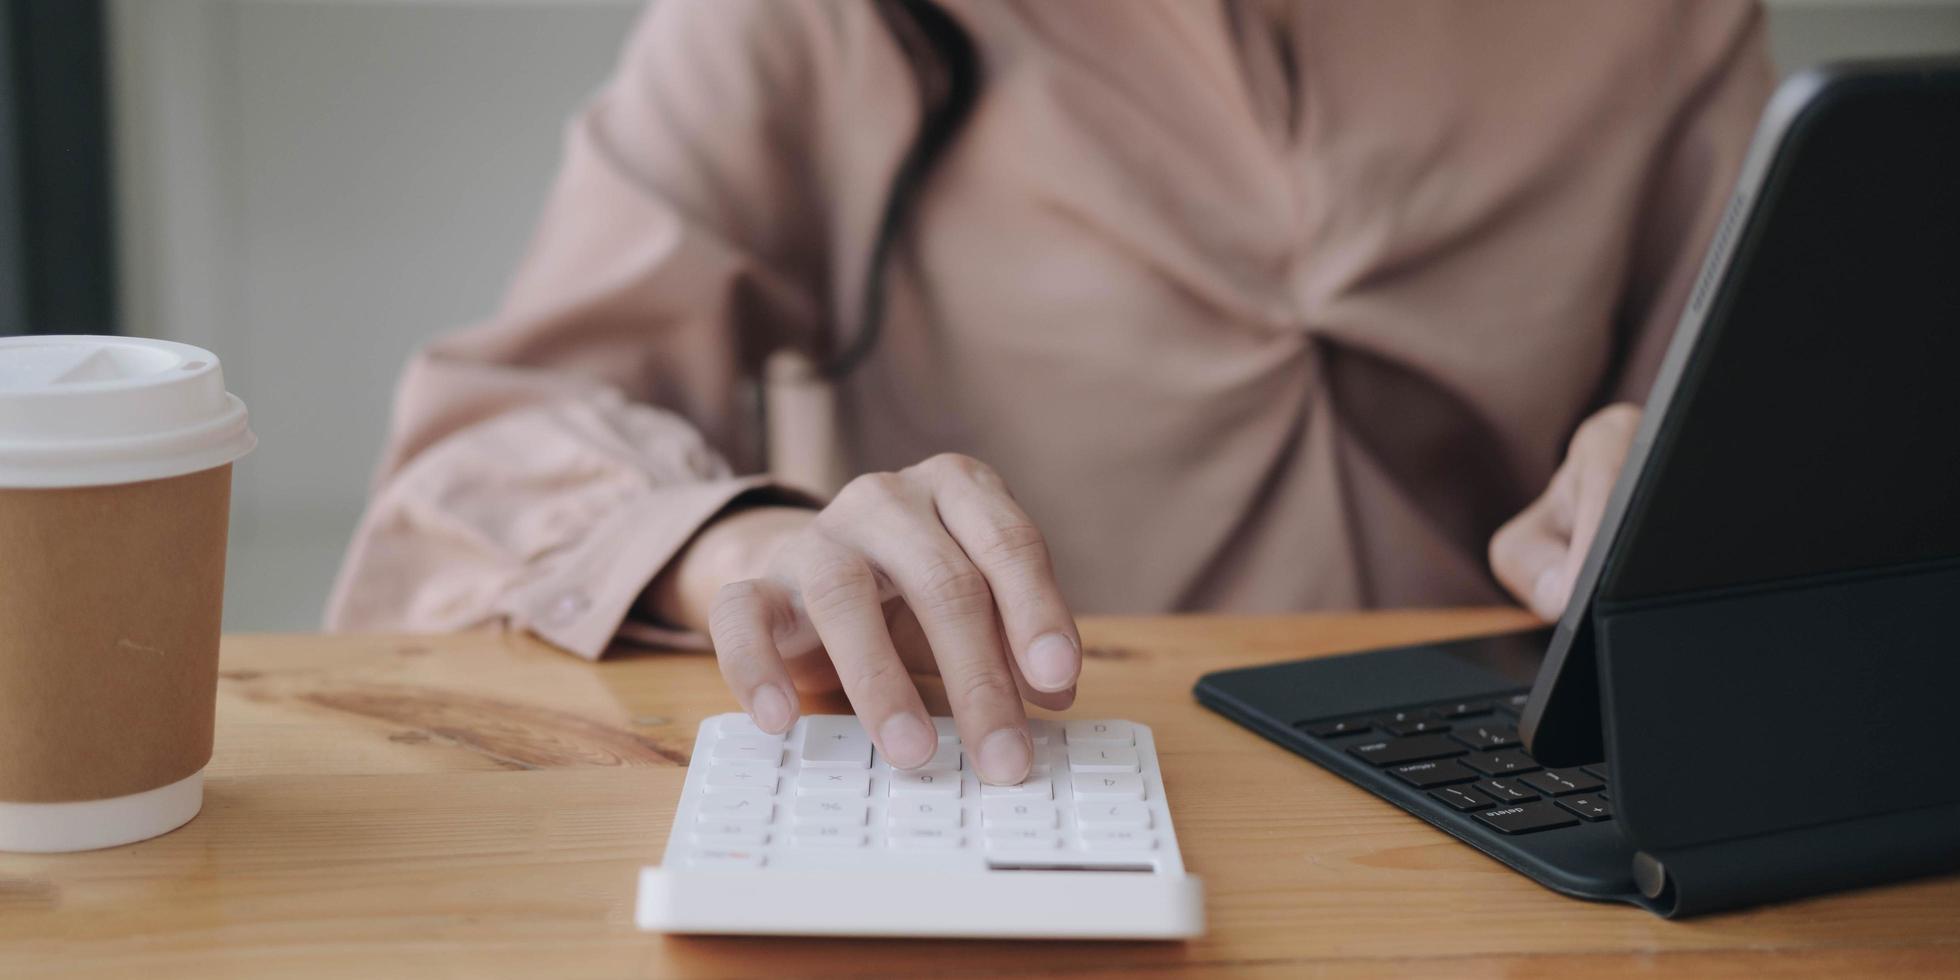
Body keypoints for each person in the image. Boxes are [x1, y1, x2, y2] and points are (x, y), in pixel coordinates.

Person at [328, 0, 1773, 786]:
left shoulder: (1660, 27)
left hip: (1501, 799)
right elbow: (483, 452)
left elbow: (1755, 431)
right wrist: (746, 546)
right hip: (1010, 788)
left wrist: (1677, 477)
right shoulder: (814, 24)